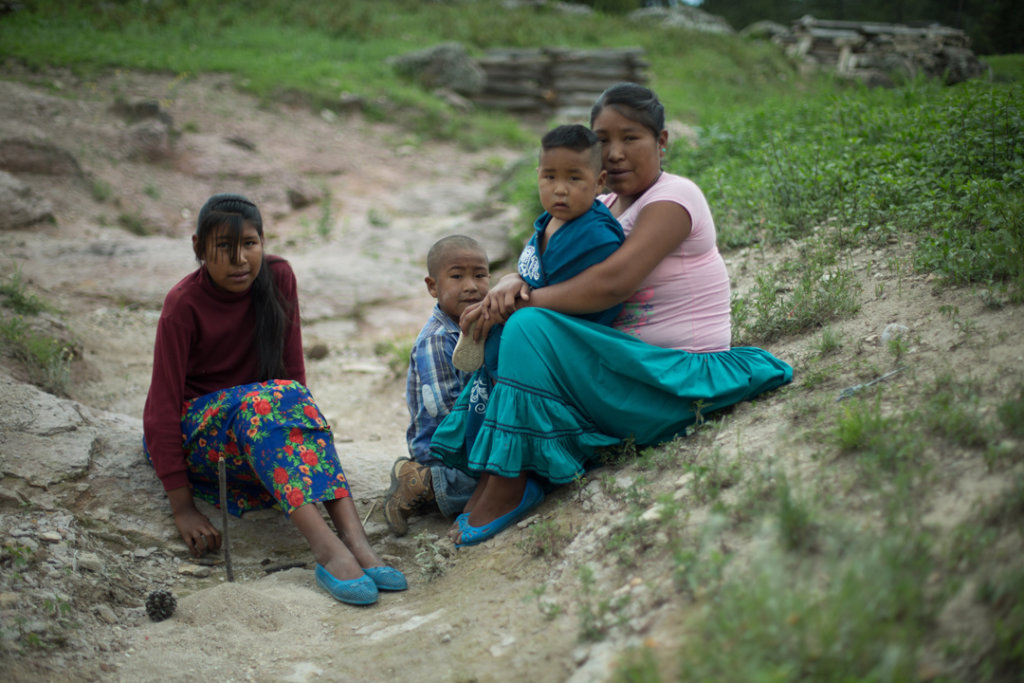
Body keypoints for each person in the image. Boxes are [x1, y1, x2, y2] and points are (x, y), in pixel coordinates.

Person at [430, 83, 794, 547]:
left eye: (631, 138)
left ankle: (512, 480)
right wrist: (510, 282)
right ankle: (506, 470)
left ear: (662, 142)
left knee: (527, 324)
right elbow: (542, 261)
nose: (616, 153)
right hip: (614, 370)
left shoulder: (674, 197)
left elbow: (613, 283)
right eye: (603, 140)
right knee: (513, 324)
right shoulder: (597, 204)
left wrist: (525, 300)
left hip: (668, 377)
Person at [142, 192, 406, 606]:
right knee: (273, 400)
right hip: (205, 436)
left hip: (263, 425)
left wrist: (305, 437)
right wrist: (183, 508)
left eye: (249, 244)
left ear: (263, 242)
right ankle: (327, 550)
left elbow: (293, 376)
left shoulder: (278, 277)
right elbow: (161, 407)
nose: (240, 259)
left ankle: (357, 543)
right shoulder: (183, 305)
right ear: (199, 248)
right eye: (223, 247)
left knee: (291, 395)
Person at [450, 123, 625, 373]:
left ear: (599, 182)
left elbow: (566, 301)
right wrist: (513, 279)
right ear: (538, 175)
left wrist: (498, 310)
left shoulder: (596, 237)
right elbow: (536, 279)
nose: (560, 189)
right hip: (518, 351)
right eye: (549, 177)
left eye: (574, 178)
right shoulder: (548, 221)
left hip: (559, 363)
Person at [384, 235, 490, 535]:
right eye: (457, 276)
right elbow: (447, 412)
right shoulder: (438, 339)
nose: (471, 286)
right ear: (433, 286)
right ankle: (423, 481)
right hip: (443, 446)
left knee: (514, 474)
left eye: (480, 275)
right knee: (499, 481)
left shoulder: (485, 323)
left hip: (476, 432)